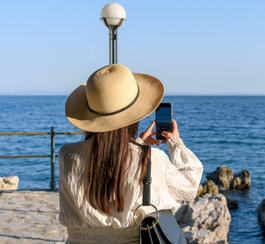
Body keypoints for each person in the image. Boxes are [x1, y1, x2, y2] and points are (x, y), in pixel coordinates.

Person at [59, 64, 203, 243]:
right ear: (134, 116)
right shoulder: (152, 159)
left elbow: (106, 161)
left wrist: (139, 143)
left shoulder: (67, 156)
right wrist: (175, 143)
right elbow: (189, 188)